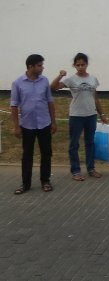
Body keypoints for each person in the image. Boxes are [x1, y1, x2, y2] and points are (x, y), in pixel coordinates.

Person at [50, 52, 108, 181]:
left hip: (91, 115)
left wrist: (101, 114)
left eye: (83, 64)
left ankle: (91, 168)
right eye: (78, 65)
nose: (81, 67)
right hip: (76, 115)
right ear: (74, 66)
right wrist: (60, 76)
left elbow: (95, 98)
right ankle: (75, 171)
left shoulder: (93, 79)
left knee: (90, 142)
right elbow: (53, 88)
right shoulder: (71, 79)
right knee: (74, 144)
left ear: (87, 64)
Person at [10, 53, 57, 194]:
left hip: (44, 123)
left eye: (42, 65)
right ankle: (26, 184)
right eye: (39, 65)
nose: (42, 68)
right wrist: (16, 126)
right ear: (30, 66)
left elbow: (50, 102)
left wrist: (53, 122)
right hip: (27, 125)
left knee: (46, 153)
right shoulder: (17, 83)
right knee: (27, 155)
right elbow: (13, 105)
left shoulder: (44, 81)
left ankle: (45, 180)